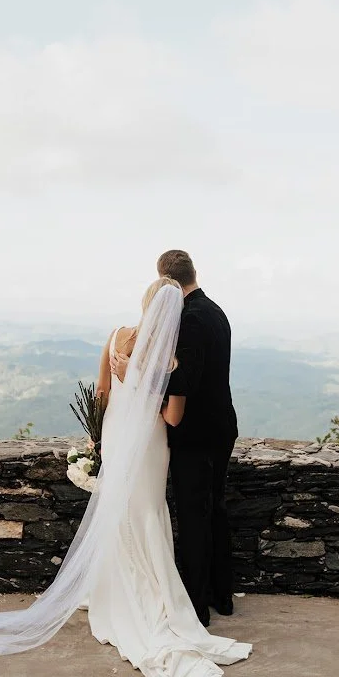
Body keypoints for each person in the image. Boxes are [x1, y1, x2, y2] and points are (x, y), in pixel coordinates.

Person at [0, 278, 251, 677]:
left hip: (115, 438)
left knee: (120, 511)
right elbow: (171, 419)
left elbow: (101, 392)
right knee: (146, 512)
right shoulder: (165, 359)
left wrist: (99, 436)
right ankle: (150, 600)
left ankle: (112, 591)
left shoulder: (116, 336)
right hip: (149, 446)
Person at [111, 252, 238, 627]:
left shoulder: (191, 318)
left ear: (165, 279)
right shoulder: (216, 311)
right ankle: (222, 594)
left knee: (195, 517)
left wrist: (132, 374)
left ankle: (198, 605)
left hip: (196, 435)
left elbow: (183, 382)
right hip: (222, 428)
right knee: (215, 509)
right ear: (193, 273)